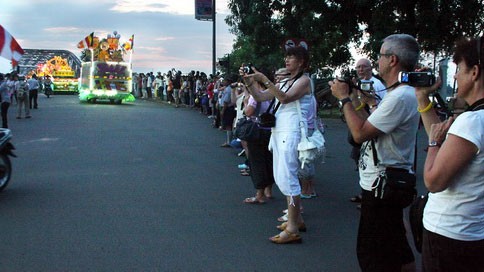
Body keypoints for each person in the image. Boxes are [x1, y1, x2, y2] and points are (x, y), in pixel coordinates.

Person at [330, 34, 419, 271]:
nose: (376, 61)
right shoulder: (400, 93)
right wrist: (361, 101)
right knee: (397, 247)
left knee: (374, 255)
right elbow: (372, 125)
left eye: (379, 56)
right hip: (387, 181)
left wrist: (344, 98)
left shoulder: (399, 96)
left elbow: (359, 134)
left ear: (392, 59)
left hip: (382, 185)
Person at [415, 36, 484, 271]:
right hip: (473, 232)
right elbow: (448, 147)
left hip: (450, 234)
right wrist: (423, 97)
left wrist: (433, 145)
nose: (455, 76)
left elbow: (434, 181)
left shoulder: (472, 122)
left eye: (459, 70)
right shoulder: (476, 119)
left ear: (474, 72)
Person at [241, 46, 315, 244]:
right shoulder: (289, 80)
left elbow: (284, 98)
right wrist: (249, 83)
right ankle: (296, 220)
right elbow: (260, 97)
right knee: (282, 176)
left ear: (301, 61)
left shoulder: (304, 80)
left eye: (292, 57)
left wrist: (264, 79)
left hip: (291, 132)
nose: (287, 60)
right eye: (286, 56)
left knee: (288, 177)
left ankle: (292, 228)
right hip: (280, 131)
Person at [350, 58, 387, 206]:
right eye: (358, 67)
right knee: (360, 160)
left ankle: (370, 195)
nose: (360, 70)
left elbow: (378, 106)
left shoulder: (376, 85)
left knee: (372, 163)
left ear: (370, 68)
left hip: (370, 126)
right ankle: (364, 192)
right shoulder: (359, 84)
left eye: (363, 67)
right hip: (361, 123)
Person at [241, 82, 274, 204]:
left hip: (257, 131)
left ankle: (259, 194)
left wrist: (245, 102)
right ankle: (268, 190)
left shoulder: (256, 96)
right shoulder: (273, 93)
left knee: (256, 162)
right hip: (271, 130)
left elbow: (249, 112)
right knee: (269, 161)